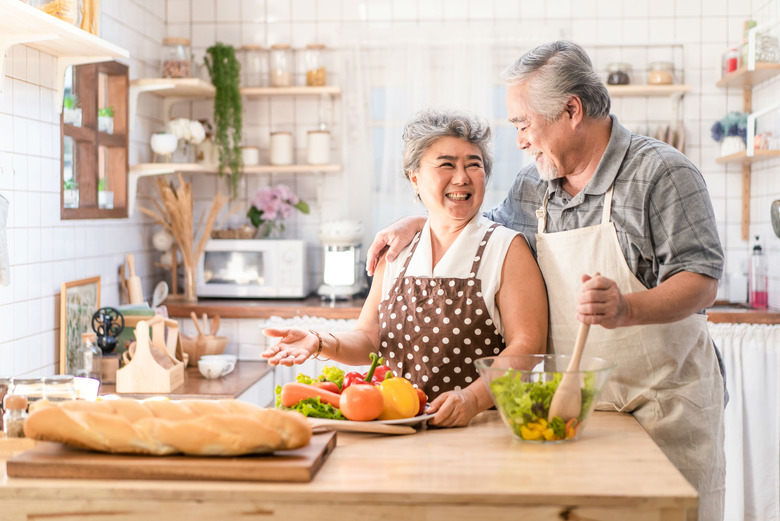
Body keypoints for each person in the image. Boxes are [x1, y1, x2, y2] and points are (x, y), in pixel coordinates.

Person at [366, 41, 726, 521]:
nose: (519, 140)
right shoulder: (532, 184)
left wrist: (627, 309)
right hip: (571, 411)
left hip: (662, 405)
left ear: (571, 110)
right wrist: (417, 221)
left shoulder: (661, 173)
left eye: (522, 123)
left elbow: (701, 279)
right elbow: (479, 226)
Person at [262, 108, 548, 428]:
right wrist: (319, 341)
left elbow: (527, 347)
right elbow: (370, 339)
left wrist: (472, 399)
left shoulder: (506, 249)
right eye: (446, 165)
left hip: (482, 427)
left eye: (474, 165)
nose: (462, 177)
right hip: (398, 427)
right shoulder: (397, 253)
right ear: (415, 178)